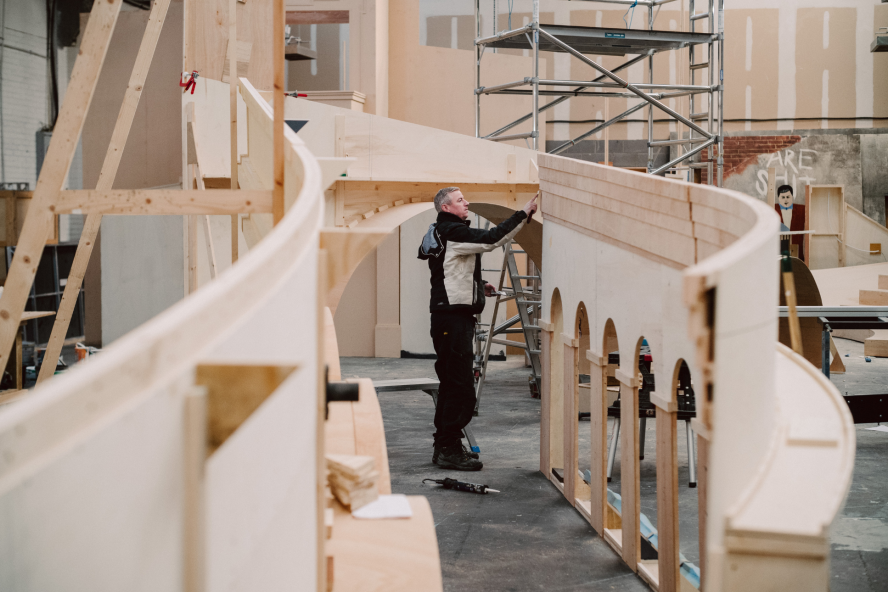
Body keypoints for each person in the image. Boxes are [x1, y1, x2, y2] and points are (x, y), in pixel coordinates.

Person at [417, 187, 538, 470]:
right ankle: (447, 448)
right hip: (452, 320)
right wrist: (522, 214)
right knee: (460, 389)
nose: (467, 203)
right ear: (446, 208)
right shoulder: (452, 231)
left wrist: (478, 286)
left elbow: (447, 270)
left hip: (450, 318)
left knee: (452, 385)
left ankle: (445, 446)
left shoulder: (441, 231)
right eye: (460, 200)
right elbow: (491, 239)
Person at [775, 184, 805, 260]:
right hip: (778, 245)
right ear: (778, 198)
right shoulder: (772, 209)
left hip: (796, 247)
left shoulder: (802, 210)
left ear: (792, 197)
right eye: (783, 197)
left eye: (788, 197)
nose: (786, 200)